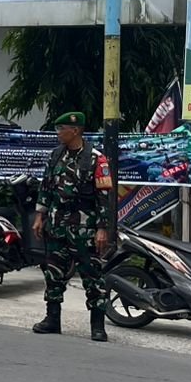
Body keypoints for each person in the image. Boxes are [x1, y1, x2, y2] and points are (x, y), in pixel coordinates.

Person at [31, 112, 113, 341]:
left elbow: (104, 197)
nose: (58, 133)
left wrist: (102, 228)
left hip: (85, 228)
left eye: (61, 129)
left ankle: (97, 325)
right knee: (53, 273)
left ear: (75, 130)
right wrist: (40, 215)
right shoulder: (56, 156)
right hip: (57, 225)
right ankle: (52, 320)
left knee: (92, 276)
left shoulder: (97, 159)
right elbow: (46, 188)